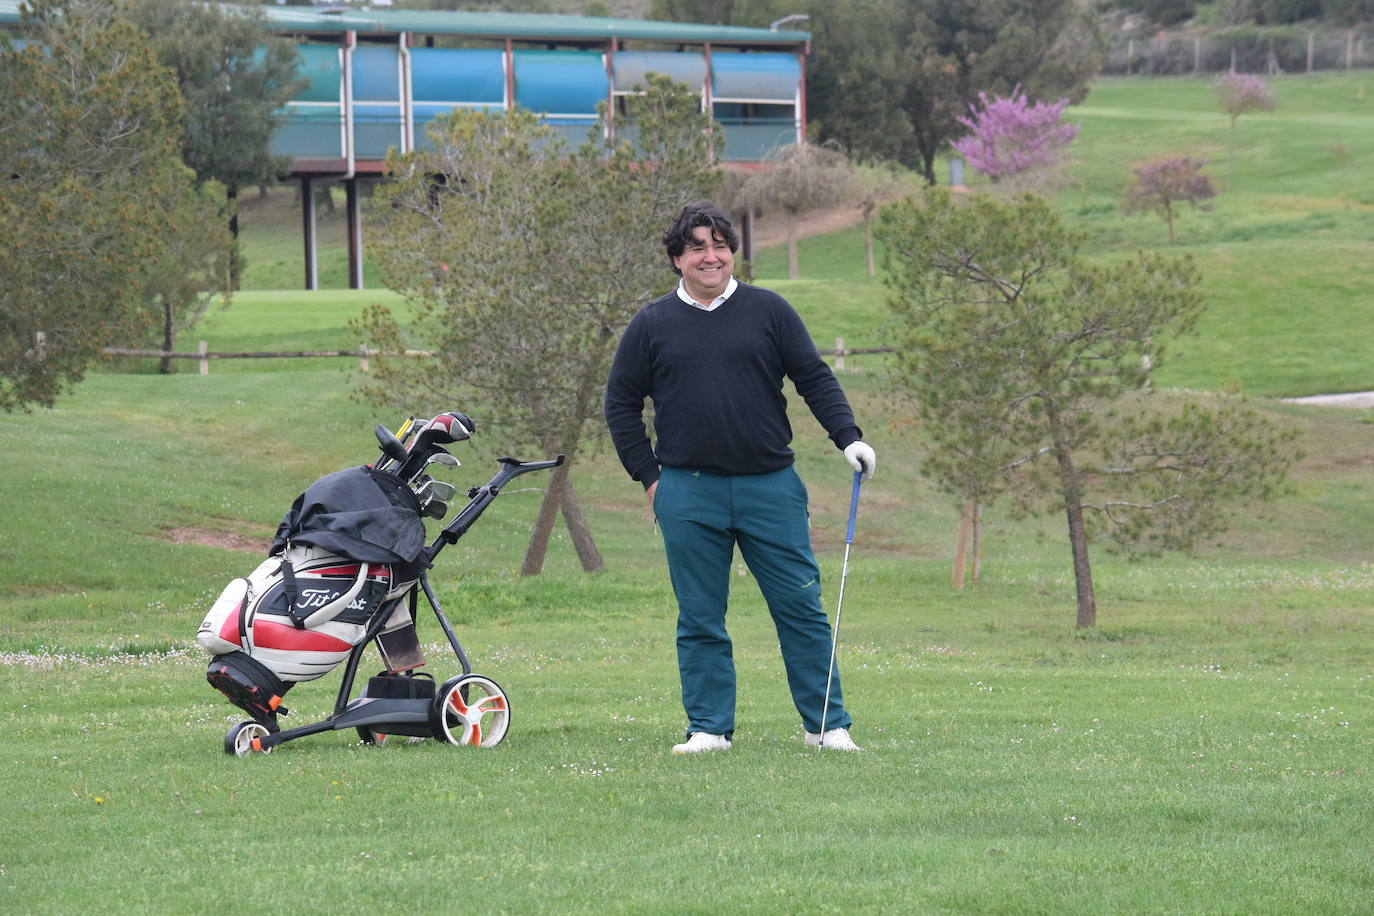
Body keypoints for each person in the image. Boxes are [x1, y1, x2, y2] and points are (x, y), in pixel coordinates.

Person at [604, 202, 876, 754]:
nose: (712, 256)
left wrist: (848, 437)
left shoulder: (769, 311)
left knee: (801, 607)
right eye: (698, 247)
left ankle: (826, 725)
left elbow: (814, 378)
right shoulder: (652, 323)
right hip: (686, 489)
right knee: (701, 615)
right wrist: (651, 478)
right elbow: (621, 404)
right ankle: (709, 729)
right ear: (678, 259)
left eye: (720, 245)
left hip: (770, 486)